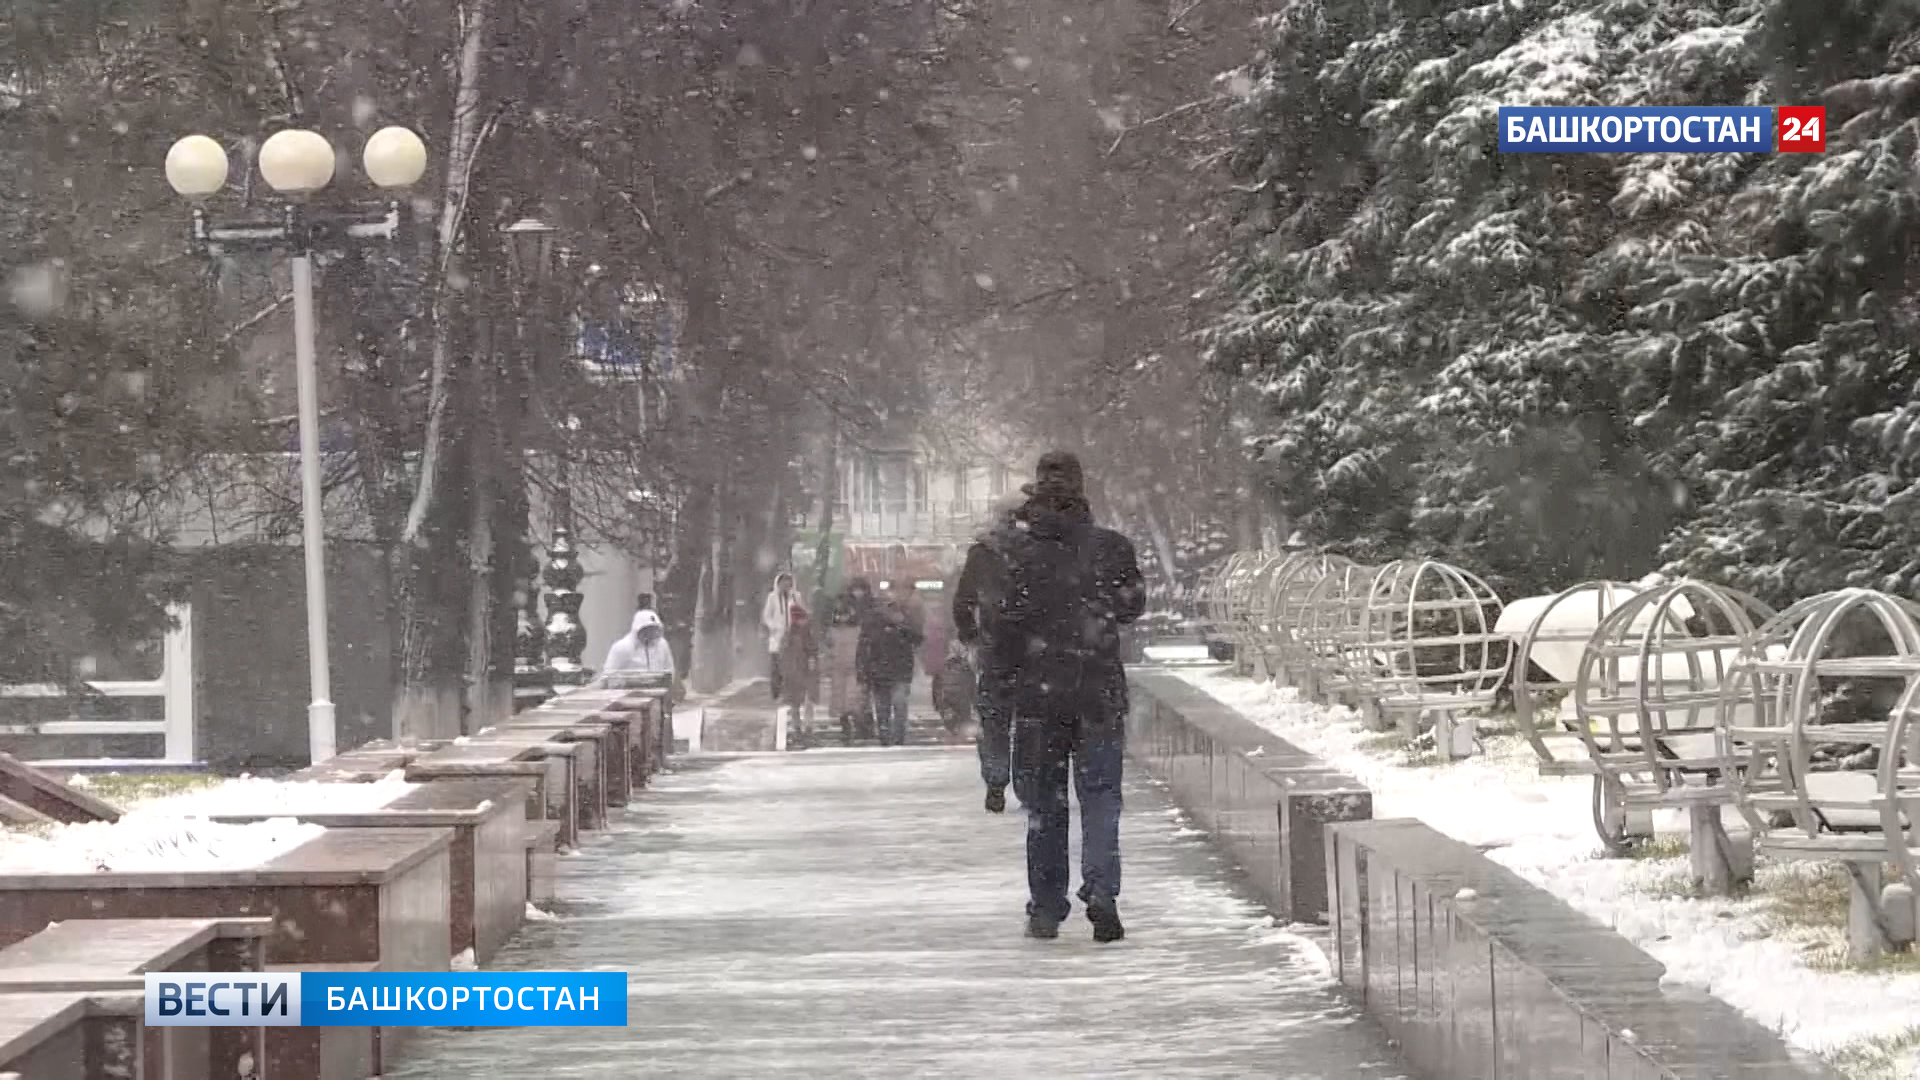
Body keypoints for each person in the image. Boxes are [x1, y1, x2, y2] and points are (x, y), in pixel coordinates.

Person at [986, 451, 1144, 943]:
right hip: (1097, 692)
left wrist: (1000, 695)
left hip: (1039, 700)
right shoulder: (1110, 548)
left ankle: (1048, 906)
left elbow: (1002, 632)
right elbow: (1131, 606)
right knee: (1100, 799)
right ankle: (1101, 890)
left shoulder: (1017, 556)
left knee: (1045, 807)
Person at [953, 497, 1025, 812]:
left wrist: (972, 638)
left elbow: (962, 602)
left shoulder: (982, 554)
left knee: (995, 721)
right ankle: (1027, 781)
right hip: (1032, 652)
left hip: (995, 648)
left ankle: (996, 779)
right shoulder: (1038, 550)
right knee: (1029, 721)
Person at [856, 584, 922, 746]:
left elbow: (918, 638)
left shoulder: (904, 618)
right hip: (881, 670)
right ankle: (886, 735)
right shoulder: (872, 622)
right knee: (884, 705)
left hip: (897, 669)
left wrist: (902, 626)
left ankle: (896, 735)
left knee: (897, 703)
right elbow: (864, 646)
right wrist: (863, 670)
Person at [827, 578, 874, 743]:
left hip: (855, 667)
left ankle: (861, 725)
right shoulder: (833, 631)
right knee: (841, 699)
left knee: (855, 698)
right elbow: (829, 649)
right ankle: (846, 725)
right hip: (838, 668)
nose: (841, 618)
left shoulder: (858, 630)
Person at [780, 602, 820, 743]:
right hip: (798, 672)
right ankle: (800, 728)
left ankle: (805, 727)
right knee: (798, 702)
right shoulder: (793, 635)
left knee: (805, 701)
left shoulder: (799, 634)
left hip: (803, 672)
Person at [603, 609, 676, 685]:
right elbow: (609, 675)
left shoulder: (662, 645)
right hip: (629, 693)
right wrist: (629, 681)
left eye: (654, 629)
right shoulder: (622, 647)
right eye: (646, 629)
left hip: (659, 691)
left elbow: (669, 669)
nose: (650, 633)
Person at [761, 572, 797, 701]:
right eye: (783, 583)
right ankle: (776, 692)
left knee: (791, 666)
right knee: (776, 665)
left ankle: (789, 692)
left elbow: (800, 612)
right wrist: (774, 627)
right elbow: (767, 616)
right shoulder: (772, 597)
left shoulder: (795, 597)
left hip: (792, 636)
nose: (786, 585)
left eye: (788, 583)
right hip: (777, 636)